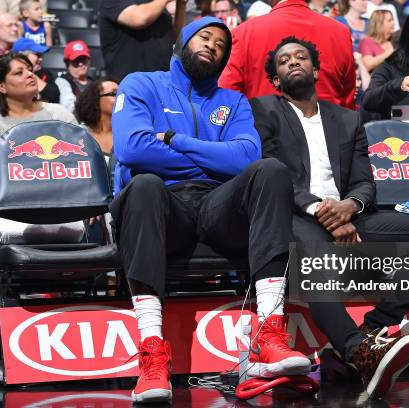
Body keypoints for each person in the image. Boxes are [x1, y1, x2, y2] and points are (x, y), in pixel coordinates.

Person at [111, 17, 310, 403]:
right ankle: (152, 355)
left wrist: (175, 141)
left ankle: (270, 334)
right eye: (205, 37)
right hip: (165, 208)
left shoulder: (232, 101)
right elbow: (132, 149)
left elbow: (248, 157)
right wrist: (214, 159)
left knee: (270, 170)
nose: (212, 46)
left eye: (221, 44)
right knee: (145, 184)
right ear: (183, 41)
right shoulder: (141, 84)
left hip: (220, 206)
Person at [251, 36, 409, 399]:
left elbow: (364, 181)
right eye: (284, 61)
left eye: (301, 57)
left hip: (349, 215)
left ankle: (376, 327)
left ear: (316, 69)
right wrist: (322, 210)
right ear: (277, 79)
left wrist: (350, 207)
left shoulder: (347, 118)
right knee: (315, 257)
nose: (294, 62)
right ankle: (357, 353)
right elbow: (272, 171)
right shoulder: (263, 110)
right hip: (295, 213)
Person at [0, 53, 76, 187]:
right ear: (2, 87)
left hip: (62, 194)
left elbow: (84, 158)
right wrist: (24, 181)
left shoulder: (59, 114)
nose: (29, 74)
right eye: (19, 73)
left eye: (30, 70)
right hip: (8, 202)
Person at [219, 0, 356, 108]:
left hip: (265, 136)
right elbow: (348, 100)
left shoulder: (244, 32)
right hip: (330, 135)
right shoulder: (340, 32)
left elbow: (227, 95)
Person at [99, 0, 187, 81]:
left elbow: (176, 37)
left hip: (159, 82)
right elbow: (140, 19)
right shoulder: (112, 2)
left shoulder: (158, 7)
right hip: (128, 82)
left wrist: (181, 5)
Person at [74, 76, 119, 159]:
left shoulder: (127, 134)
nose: (121, 98)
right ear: (95, 99)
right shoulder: (79, 135)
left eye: (122, 94)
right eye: (114, 94)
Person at [11, 37, 58, 103]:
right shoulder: (10, 76)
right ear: (22, 56)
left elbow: (53, 96)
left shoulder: (45, 73)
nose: (41, 59)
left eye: (41, 55)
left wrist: (30, 73)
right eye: (38, 55)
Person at [55, 41, 93, 113]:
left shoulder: (94, 82)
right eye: (77, 60)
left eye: (83, 59)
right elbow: (69, 108)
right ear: (67, 63)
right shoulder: (62, 81)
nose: (81, 64)